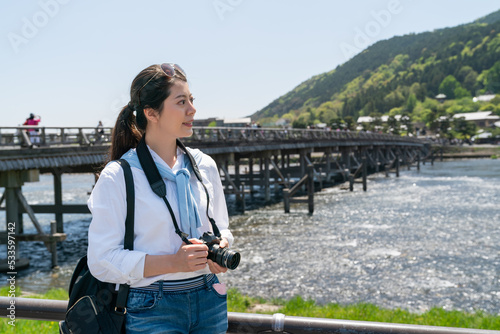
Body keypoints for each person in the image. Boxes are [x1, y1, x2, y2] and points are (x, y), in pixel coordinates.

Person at [87, 63, 234, 334]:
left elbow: (222, 226)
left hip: (211, 296)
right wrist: (173, 262)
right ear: (151, 112)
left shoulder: (204, 166)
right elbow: (101, 259)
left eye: (192, 100)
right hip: (152, 304)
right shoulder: (120, 176)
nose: (192, 109)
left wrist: (221, 243)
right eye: (181, 102)